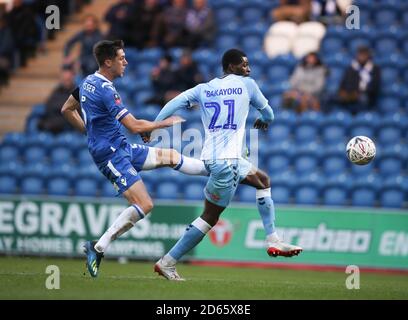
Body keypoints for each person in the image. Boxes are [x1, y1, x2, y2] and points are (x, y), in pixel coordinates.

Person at [149, 49, 303, 281]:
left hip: (216, 158)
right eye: (244, 65)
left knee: (263, 180)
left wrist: (154, 126)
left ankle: (273, 239)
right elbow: (269, 113)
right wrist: (264, 121)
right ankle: (167, 262)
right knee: (209, 218)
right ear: (231, 67)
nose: (248, 69)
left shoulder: (203, 88)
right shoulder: (248, 85)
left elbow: (174, 102)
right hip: (225, 163)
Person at [61, 40, 209, 277]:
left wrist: (89, 132)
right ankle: (98, 247)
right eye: (121, 58)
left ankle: (212, 169)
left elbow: (67, 109)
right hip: (110, 155)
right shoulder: (105, 89)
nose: (126, 62)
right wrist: (164, 123)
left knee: (170, 156)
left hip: (121, 147)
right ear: (108, 62)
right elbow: (133, 125)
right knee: (145, 204)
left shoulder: (88, 81)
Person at [337, 46, 381, 114]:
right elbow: (343, 82)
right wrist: (342, 91)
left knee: (363, 99)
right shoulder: (351, 68)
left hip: (366, 95)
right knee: (331, 98)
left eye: (364, 54)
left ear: (368, 55)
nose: (361, 56)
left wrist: (360, 92)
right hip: (350, 94)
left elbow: (375, 86)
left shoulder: (374, 69)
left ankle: (360, 118)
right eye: (360, 54)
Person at [38, 65, 77, 134]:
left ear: (72, 78)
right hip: (52, 120)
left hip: (66, 125)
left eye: (68, 79)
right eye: (64, 79)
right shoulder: (56, 91)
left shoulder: (76, 92)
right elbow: (49, 106)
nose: (66, 81)